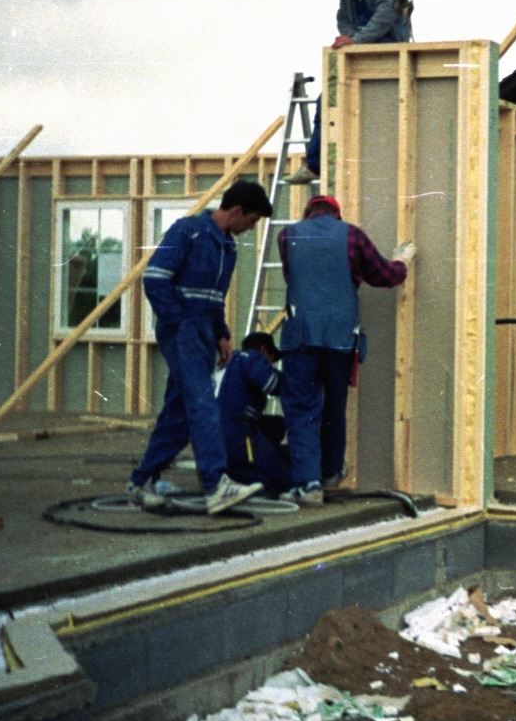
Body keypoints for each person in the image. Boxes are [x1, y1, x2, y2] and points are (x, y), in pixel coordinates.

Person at [129, 180, 273, 515]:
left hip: (204, 332)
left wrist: (221, 333)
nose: (250, 229)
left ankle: (140, 482)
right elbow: (154, 278)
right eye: (251, 221)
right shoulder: (188, 231)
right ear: (236, 211)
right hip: (184, 331)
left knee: (180, 412)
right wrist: (180, 322)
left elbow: (215, 299)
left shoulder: (228, 248)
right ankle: (216, 484)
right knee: (204, 402)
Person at [277, 194, 412, 506]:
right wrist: (402, 261)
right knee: (334, 406)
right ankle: (331, 471)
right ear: (335, 215)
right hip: (340, 337)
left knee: (301, 408)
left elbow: (293, 277)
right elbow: (384, 276)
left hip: (301, 337)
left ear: (307, 212)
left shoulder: (288, 235)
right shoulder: (351, 235)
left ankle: (308, 483)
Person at [288, 0, 411, 184]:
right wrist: (348, 37)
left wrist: (357, 41)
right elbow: (344, 13)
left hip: (388, 45)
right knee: (329, 99)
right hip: (361, 45)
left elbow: (385, 16)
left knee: (373, 106)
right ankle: (316, 165)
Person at [216, 331, 291, 496]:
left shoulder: (230, 364)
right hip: (238, 435)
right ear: (264, 350)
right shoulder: (252, 358)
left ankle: (236, 478)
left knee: (276, 425)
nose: (270, 365)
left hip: (216, 440)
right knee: (284, 480)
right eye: (271, 361)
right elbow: (273, 384)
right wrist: (300, 381)